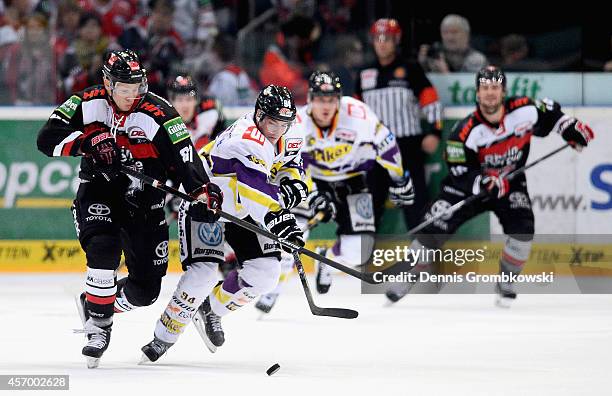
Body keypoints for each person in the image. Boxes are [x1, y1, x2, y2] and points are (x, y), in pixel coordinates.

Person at [36, 49, 223, 368]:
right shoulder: (86, 101)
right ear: (108, 84)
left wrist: (202, 191)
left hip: (146, 206)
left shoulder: (160, 113)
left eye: (136, 87)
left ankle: (98, 302)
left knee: (146, 290)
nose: (131, 95)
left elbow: (185, 157)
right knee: (102, 248)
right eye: (124, 88)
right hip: (99, 191)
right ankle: (98, 325)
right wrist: (86, 143)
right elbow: (46, 138)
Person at [384, 66, 594, 307]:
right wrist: (482, 182)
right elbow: (458, 169)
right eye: (485, 88)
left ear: (503, 91)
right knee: (433, 228)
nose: (490, 93)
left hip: (509, 183)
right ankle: (407, 276)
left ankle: (506, 280)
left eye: (495, 88)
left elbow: (552, 113)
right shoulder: (463, 131)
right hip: (466, 187)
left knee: (523, 230)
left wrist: (570, 128)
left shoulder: (524, 109)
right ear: (477, 93)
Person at [139, 85, 308, 362]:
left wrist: (293, 182)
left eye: (283, 124)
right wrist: (284, 221)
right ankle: (163, 338)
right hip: (207, 203)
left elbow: (291, 162)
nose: (277, 129)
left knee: (266, 274)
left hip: (242, 211)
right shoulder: (246, 139)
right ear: (258, 114)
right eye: (271, 122)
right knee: (203, 274)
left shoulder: (292, 130)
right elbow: (256, 193)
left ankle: (211, 311)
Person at [259, 70, 415, 300]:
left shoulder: (358, 114)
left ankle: (328, 260)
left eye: (331, 99)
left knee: (359, 251)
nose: (326, 106)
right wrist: (312, 195)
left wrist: (399, 178)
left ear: (339, 101)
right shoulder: (297, 124)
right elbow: (294, 167)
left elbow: (387, 145)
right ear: (311, 99)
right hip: (314, 180)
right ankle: (273, 290)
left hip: (353, 180)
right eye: (321, 99)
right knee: (293, 232)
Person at [356, 18, 442, 231]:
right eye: (378, 38)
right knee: (369, 208)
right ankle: (358, 259)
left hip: (407, 149)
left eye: (387, 38)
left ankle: (423, 260)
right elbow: (356, 112)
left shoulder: (411, 69)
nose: (382, 43)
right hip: (374, 150)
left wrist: (435, 132)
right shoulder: (364, 73)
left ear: (396, 41)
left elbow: (431, 100)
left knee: (416, 205)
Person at [418, 14, 488, 73]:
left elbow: (468, 86)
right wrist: (423, 64)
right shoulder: (437, 53)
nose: (449, 37)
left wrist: (445, 73)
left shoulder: (477, 59)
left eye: (454, 32)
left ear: (466, 34)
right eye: (445, 32)